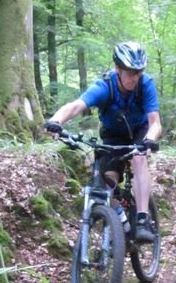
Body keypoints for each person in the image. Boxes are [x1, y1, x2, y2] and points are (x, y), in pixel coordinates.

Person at [43, 41, 162, 243]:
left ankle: (142, 219)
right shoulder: (105, 87)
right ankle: (118, 222)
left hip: (140, 132)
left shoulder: (145, 84)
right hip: (112, 136)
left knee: (139, 158)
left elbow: (155, 122)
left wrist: (150, 139)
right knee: (107, 180)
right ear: (118, 69)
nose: (134, 77)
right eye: (130, 72)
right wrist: (55, 121)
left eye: (138, 72)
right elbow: (76, 106)